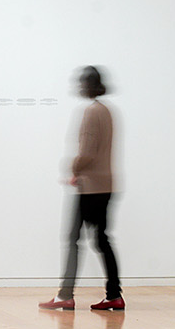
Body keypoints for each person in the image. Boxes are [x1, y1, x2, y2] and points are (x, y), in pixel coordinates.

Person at [40, 66, 123, 312]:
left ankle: (66, 295)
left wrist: (74, 169)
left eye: (82, 83)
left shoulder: (91, 112)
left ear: (88, 85)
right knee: (101, 240)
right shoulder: (108, 111)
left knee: (73, 239)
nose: (79, 88)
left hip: (89, 187)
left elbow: (87, 152)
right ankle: (114, 295)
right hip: (107, 185)